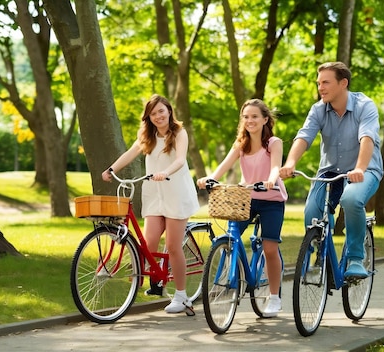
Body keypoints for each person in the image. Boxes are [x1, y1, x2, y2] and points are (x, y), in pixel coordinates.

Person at [279, 61, 383, 279]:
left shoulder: (365, 106)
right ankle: (315, 254)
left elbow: (367, 138)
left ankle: (355, 257)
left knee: (351, 199)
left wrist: (359, 168)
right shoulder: (318, 109)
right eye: (318, 83)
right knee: (311, 212)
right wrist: (290, 163)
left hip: (364, 170)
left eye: (326, 82)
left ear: (343, 83)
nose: (320, 88)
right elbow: (304, 137)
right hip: (330, 172)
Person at [102, 94, 200, 314]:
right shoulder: (147, 135)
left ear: (169, 110)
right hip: (155, 194)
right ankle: (156, 282)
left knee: (174, 247)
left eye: (161, 111)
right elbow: (131, 152)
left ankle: (182, 296)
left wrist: (165, 172)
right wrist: (111, 169)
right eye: (153, 113)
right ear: (148, 117)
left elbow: (180, 159)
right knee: (149, 244)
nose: (158, 116)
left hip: (176, 192)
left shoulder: (179, 132)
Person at [197, 99, 287, 318]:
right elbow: (223, 166)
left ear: (265, 119)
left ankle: (274, 298)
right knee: (231, 236)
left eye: (255, 116)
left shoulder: (274, 142)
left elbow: (276, 166)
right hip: (246, 198)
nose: (250, 120)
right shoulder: (241, 144)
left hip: (272, 199)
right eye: (246, 117)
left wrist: (270, 180)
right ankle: (232, 275)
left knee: (269, 248)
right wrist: (209, 179)